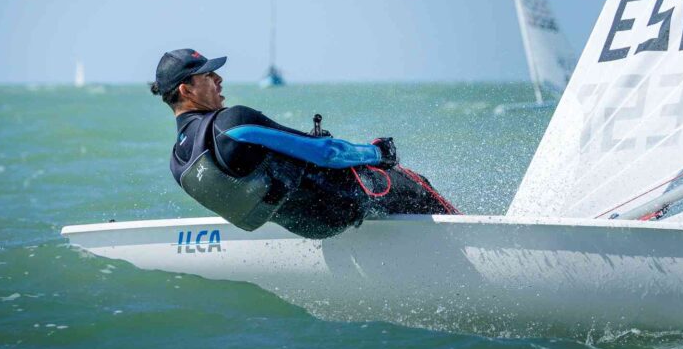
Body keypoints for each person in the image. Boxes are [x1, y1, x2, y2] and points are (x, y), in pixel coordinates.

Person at [150, 48, 459, 239]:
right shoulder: (232, 124)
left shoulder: (179, 162)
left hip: (308, 228)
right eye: (208, 75)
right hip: (343, 200)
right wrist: (378, 153)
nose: (218, 80)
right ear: (186, 89)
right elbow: (326, 153)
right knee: (412, 182)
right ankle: (466, 231)